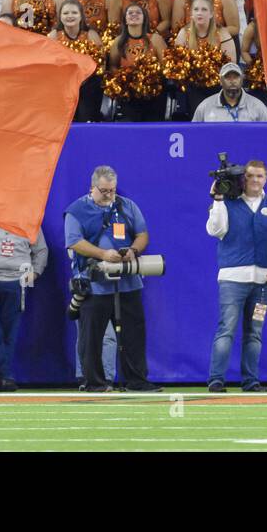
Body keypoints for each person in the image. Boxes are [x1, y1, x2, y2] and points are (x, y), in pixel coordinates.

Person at [63, 166, 159, 392]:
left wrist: (133, 250)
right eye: (104, 191)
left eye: (112, 191)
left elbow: (142, 234)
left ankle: (137, 381)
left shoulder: (127, 206)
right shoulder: (76, 210)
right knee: (91, 336)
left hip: (127, 279)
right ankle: (94, 382)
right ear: (92, 188)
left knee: (134, 332)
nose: (109, 195)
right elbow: (74, 241)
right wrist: (103, 254)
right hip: (94, 281)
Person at [205, 158, 267, 392]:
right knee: (227, 329)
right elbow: (216, 230)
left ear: (266, 178)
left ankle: (251, 381)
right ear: (243, 178)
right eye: (250, 175)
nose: (254, 180)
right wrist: (218, 199)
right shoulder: (228, 203)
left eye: (259, 176)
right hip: (232, 280)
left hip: (263, 283)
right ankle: (216, 379)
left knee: (255, 333)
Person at [0, 213, 48, 392]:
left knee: (9, 333)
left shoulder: (28, 215)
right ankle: (5, 376)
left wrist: (35, 272)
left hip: (16, 281)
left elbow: (41, 249)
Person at [191, 61, 267, 122]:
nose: (232, 81)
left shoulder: (257, 106)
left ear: (242, 80)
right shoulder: (205, 106)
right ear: (220, 81)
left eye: (236, 77)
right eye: (228, 77)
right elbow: (193, 134)